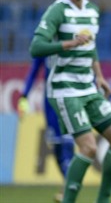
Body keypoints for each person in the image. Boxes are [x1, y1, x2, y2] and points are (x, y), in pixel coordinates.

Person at [29, 0, 111, 203]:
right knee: (89, 148)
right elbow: (36, 47)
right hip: (64, 88)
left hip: (89, 87)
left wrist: (100, 76)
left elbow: (91, 47)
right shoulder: (57, 11)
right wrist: (67, 43)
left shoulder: (92, 11)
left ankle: (102, 200)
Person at [18, 56, 74, 203]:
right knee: (56, 147)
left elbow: (86, 65)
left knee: (68, 146)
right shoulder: (44, 43)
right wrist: (24, 96)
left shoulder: (72, 38)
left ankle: (68, 189)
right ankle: (69, 184)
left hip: (70, 99)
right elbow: (34, 70)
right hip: (50, 103)